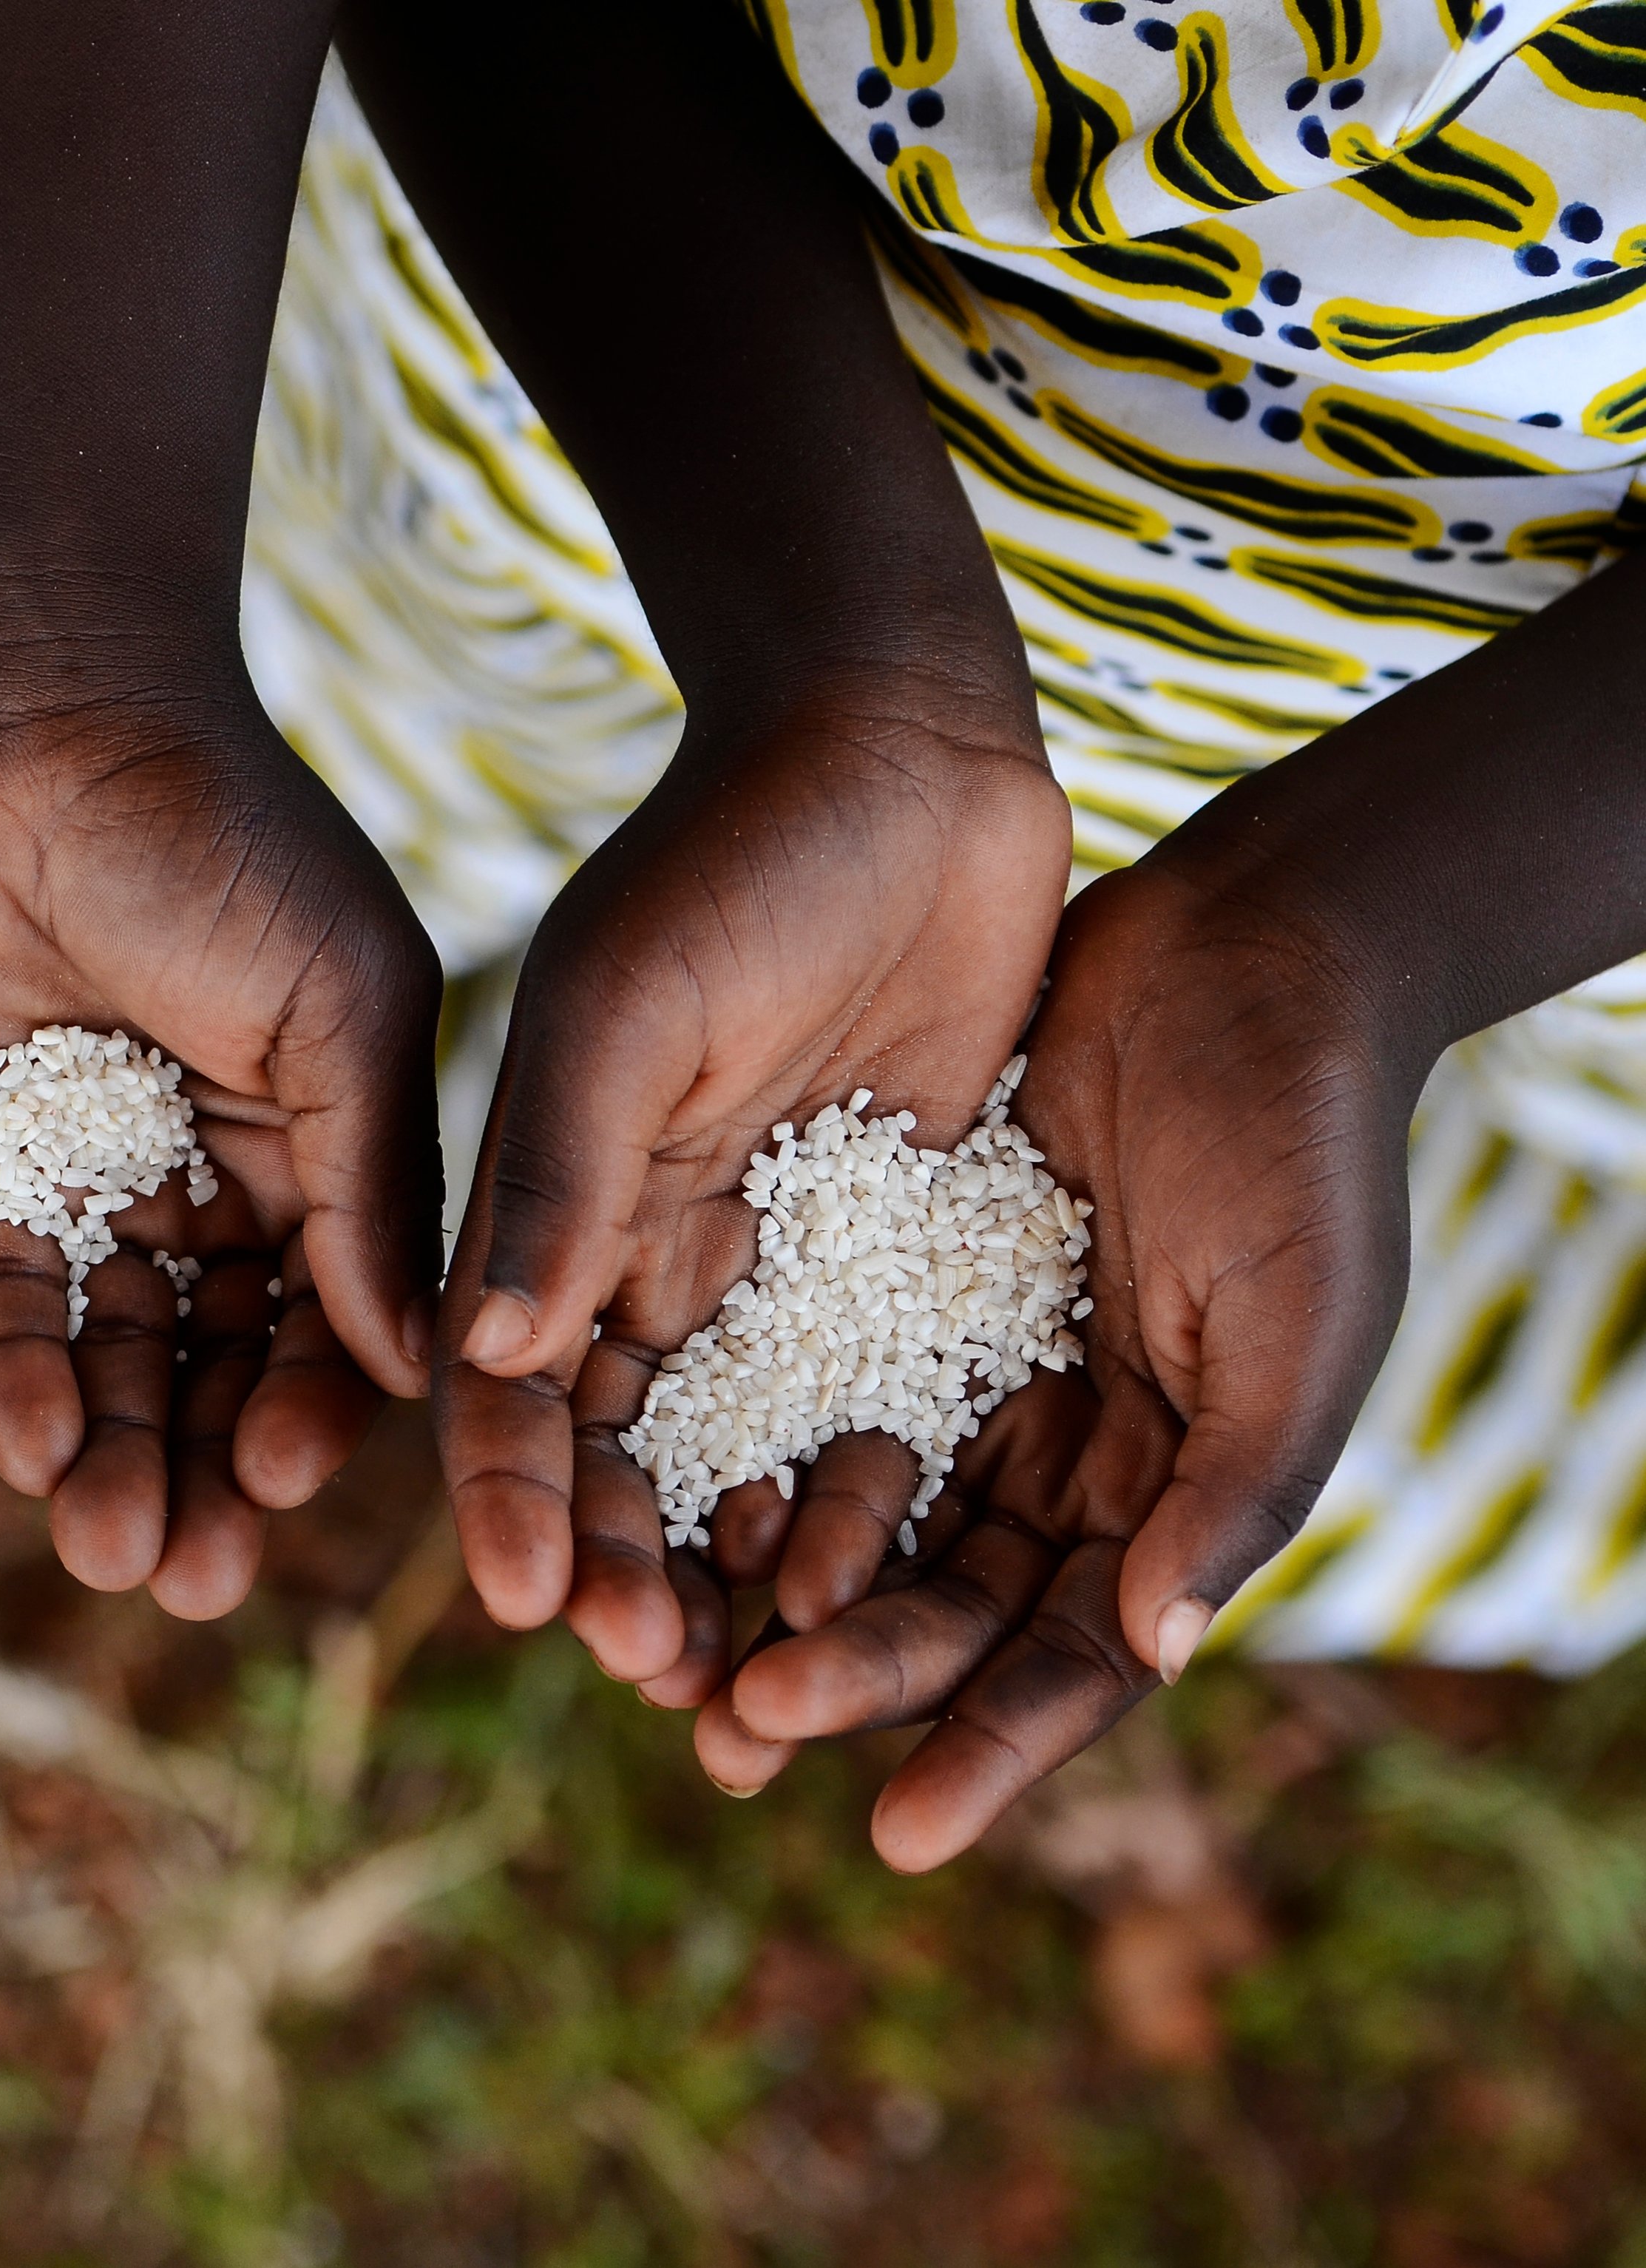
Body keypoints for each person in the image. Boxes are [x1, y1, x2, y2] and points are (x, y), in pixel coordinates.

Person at [350, 0, 1646, 1866]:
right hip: (659, 428)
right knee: (387, 789)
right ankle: (466, 1059)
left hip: (1555, 814)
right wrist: (845, 672)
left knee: (1486, 1423)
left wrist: (1367, 934)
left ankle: (494, 1099)